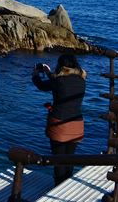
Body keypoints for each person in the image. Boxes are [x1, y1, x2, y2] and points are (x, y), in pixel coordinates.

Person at [32, 54, 87, 185]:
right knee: (69, 160)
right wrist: (47, 71)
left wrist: (35, 74)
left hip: (60, 125)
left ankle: (58, 187)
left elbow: (41, 85)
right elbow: (61, 81)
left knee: (58, 162)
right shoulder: (82, 80)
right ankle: (66, 188)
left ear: (61, 66)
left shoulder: (58, 81)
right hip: (77, 126)